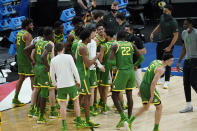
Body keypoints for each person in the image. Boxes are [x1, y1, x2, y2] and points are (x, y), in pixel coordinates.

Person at [109, 31, 144, 130]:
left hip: (121, 72)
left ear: (117, 37)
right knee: (129, 94)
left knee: (114, 95)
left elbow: (110, 61)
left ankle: (123, 117)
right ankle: (129, 120)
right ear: (125, 38)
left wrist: (115, 66)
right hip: (131, 72)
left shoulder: (115, 45)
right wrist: (135, 64)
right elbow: (141, 57)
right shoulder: (131, 44)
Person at [130, 53, 174, 131]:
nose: (172, 62)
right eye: (171, 61)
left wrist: (141, 88)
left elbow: (146, 74)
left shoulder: (155, 61)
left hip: (143, 84)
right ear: (166, 61)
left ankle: (129, 122)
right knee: (159, 107)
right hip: (149, 87)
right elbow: (153, 83)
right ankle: (156, 128)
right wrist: (152, 95)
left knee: (146, 107)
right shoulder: (161, 69)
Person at [24, 27, 57, 123]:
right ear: (49, 35)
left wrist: (32, 61)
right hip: (44, 69)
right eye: (52, 34)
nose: (53, 36)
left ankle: (33, 110)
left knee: (36, 89)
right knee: (49, 90)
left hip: (37, 68)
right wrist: (49, 66)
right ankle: (45, 115)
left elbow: (26, 50)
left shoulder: (38, 42)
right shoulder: (50, 44)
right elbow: (45, 57)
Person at [50, 43, 86, 130]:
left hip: (61, 85)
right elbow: (74, 70)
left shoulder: (53, 60)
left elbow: (51, 74)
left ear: (56, 50)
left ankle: (64, 125)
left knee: (63, 105)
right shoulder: (69, 57)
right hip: (71, 84)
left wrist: (55, 84)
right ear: (63, 48)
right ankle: (78, 121)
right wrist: (78, 80)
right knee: (76, 102)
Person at [76, 28, 100, 127]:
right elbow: (87, 64)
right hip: (83, 74)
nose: (92, 37)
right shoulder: (83, 48)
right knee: (87, 96)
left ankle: (77, 118)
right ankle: (87, 120)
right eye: (90, 36)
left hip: (83, 73)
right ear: (87, 38)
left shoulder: (82, 45)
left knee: (81, 96)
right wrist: (96, 57)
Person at [150, 4, 178, 89]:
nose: (164, 12)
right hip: (160, 42)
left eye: (166, 11)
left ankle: (166, 81)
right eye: (163, 11)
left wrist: (170, 47)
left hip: (168, 42)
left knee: (168, 62)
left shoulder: (173, 22)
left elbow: (176, 36)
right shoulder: (162, 16)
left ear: (170, 11)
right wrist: (152, 33)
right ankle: (161, 78)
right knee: (159, 61)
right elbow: (159, 25)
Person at [12, 18, 34, 107]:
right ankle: (35, 101)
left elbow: (17, 46)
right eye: (31, 24)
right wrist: (32, 60)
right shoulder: (28, 35)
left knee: (21, 78)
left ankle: (15, 98)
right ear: (27, 26)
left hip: (19, 58)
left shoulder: (19, 33)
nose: (33, 26)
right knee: (33, 77)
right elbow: (27, 50)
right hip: (26, 59)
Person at [177, 18, 197, 113]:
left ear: (191, 24)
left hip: (195, 60)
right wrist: (179, 61)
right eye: (183, 25)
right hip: (187, 61)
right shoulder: (183, 33)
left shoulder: (196, 33)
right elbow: (184, 49)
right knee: (186, 82)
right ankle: (188, 106)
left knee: (193, 81)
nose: (184, 26)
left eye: (186, 24)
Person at [99, 28, 116, 114]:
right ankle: (120, 105)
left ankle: (104, 106)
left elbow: (101, 59)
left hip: (106, 68)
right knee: (115, 88)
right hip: (115, 68)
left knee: (105, 87)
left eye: (105, 33)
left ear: (108, 35)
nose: (103, 34)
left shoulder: (104, 46)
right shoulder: (116, 44)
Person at [125, 24, 146, 88]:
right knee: (127, 86)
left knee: (139, 83)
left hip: (135, 64)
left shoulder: (137, 39)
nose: (125, 31)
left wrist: (134, 50)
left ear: (131, 31)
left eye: (127, 30)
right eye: (125, 30)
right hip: (126, 64)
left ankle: (145, 96)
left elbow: (144, 51)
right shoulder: (123, 39)